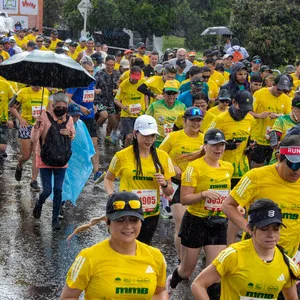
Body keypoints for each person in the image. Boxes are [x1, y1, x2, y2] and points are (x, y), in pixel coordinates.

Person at [60, 191, 168, 299]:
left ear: (141, 222)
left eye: (134, 220)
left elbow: (159, 291)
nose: (128, 226)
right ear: (107, 222)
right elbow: (68, 297)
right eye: (120, 220)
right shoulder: (88, 258)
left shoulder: (156, 256)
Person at [167, 128, 233, 297]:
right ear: (205, 147)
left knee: (215, 271)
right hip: (195, 221)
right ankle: (172, 282)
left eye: (221, 145)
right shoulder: (194, 167)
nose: (218, 149)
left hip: (217, 222)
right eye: (214, 145)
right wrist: (204, 194)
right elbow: (185, 199)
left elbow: (226, 194)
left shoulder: (228, 167)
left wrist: (234, 205)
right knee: (187, 270)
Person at [192, 199, 300, 300]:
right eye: (264, 229)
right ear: (250, 229)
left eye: (276, 229)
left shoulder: (288, 265)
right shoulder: (233, 255)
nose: (271, 235)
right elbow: (198, 285)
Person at [222, 135, 300, 257]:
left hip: (288, 256)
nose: (297, 171)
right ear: (279, 157)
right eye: (293, 165)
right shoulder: (256, 177)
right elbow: (228, 205)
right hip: (255, 252)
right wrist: (248, 228)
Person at [104, 115, 175, 244]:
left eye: (152, 136)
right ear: (135, 134)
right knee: (125, 245)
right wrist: (111, 195)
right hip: (127, 211)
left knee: (143, 247)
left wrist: (164, 184)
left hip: (151, 213)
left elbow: (169, 192)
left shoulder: (163, 157)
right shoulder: (121, 156)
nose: (149, 140)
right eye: (145, 135)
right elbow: (109, 179)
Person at [159, 106, 204, 261]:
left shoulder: (205, 140)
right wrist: (172, 167)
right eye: (192, 120)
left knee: (196, 224)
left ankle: (192, 256)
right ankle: (181, 260)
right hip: (177, 184)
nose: (196, 124)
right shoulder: (173, 137)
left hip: (196, 186)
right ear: (184, 121)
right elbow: (159, 155)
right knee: (181, 222)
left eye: (199, 120)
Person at [31, 92, 75, 229]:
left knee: (58, 189)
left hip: (62, 159)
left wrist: (70, 133)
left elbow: (72, 136)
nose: (61, 109)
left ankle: (54, 219)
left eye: (64, 106)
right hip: (45, 158)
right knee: (47, 190)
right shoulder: (44, 117)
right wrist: (37, 126)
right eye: (59, 106)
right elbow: (34, 138)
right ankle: (40, 202)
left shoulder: (69, 119)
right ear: (53, 105)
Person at [66, 60, 106, 183]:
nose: (90, 73)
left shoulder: (92, 81)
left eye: (91, 71)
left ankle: (96, 172)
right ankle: (68, 170)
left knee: (94, 142)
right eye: (87, 71)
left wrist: (92, 106)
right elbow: (66, 99)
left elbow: (88, 97)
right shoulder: (75, 81)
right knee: (73, 145)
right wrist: (80, 108)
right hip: (76, 117)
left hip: (89, 117)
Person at [9, 86, 50, 191]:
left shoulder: (45, 92)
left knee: (36, 154)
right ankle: (19, 165)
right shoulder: (22, 92)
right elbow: (12, 107)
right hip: (26, 126)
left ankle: (33, 181)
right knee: (26, 156)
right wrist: (20, 119)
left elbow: (49, 108)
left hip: (39, 126)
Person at [210, 90, 254, 187]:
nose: (243, 112)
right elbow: (206, 139)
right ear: (234, 102)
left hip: (241, 168)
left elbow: (250, 138)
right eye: (241, 109)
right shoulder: (220, 119)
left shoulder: (250, 119)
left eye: (246, 110)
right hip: (222, 166)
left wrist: (250, 146)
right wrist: (226, 145)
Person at [250, 74, 292, 167]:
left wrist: (279, 116)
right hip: (258, 139)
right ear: (274, 84)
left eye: (284, 90)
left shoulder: (286, 99)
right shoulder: (259, 93)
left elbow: (288, 119)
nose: (280, 92)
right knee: (257, 166)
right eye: (279, 89)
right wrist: (260, 115)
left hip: (275, 142)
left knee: (273, 167)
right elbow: (248, 112)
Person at [146, 80, 186, 147]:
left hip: (174, 141)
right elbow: (146, 121)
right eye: (168, 93)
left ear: (177, 94)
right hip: (158, 141)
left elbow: (185, 123)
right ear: (163, 93)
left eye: (173, 93)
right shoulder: (154, 106)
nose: (171, 96)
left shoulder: (182, 106)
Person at [114, 66, 146, 147]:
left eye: (137, 77)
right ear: (130, 75)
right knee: (129, 136)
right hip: (127, 114)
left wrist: (146, 106)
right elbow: (116, 100)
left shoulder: (143, 82)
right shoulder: (123, 84)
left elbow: (146, 93)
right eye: (134, 77)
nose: (136, 79)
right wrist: (124, 107)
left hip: (139, 114)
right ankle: (125, 150)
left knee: (138, 137)